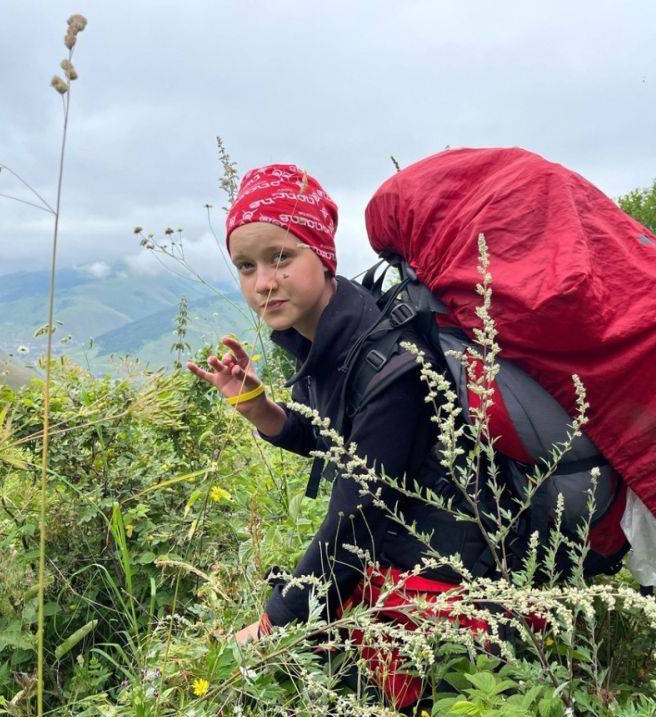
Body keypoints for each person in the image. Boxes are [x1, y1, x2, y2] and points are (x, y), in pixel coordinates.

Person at [186, 165, 488, 671]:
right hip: (408, 553)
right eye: (245, 266)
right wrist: (262, 410)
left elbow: (355, 524)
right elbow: (335, 437)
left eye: (281, 257)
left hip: (459, 580)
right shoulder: (329, 337)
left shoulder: (389, 361)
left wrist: (269, 627)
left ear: (323, 255)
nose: (263, 283)